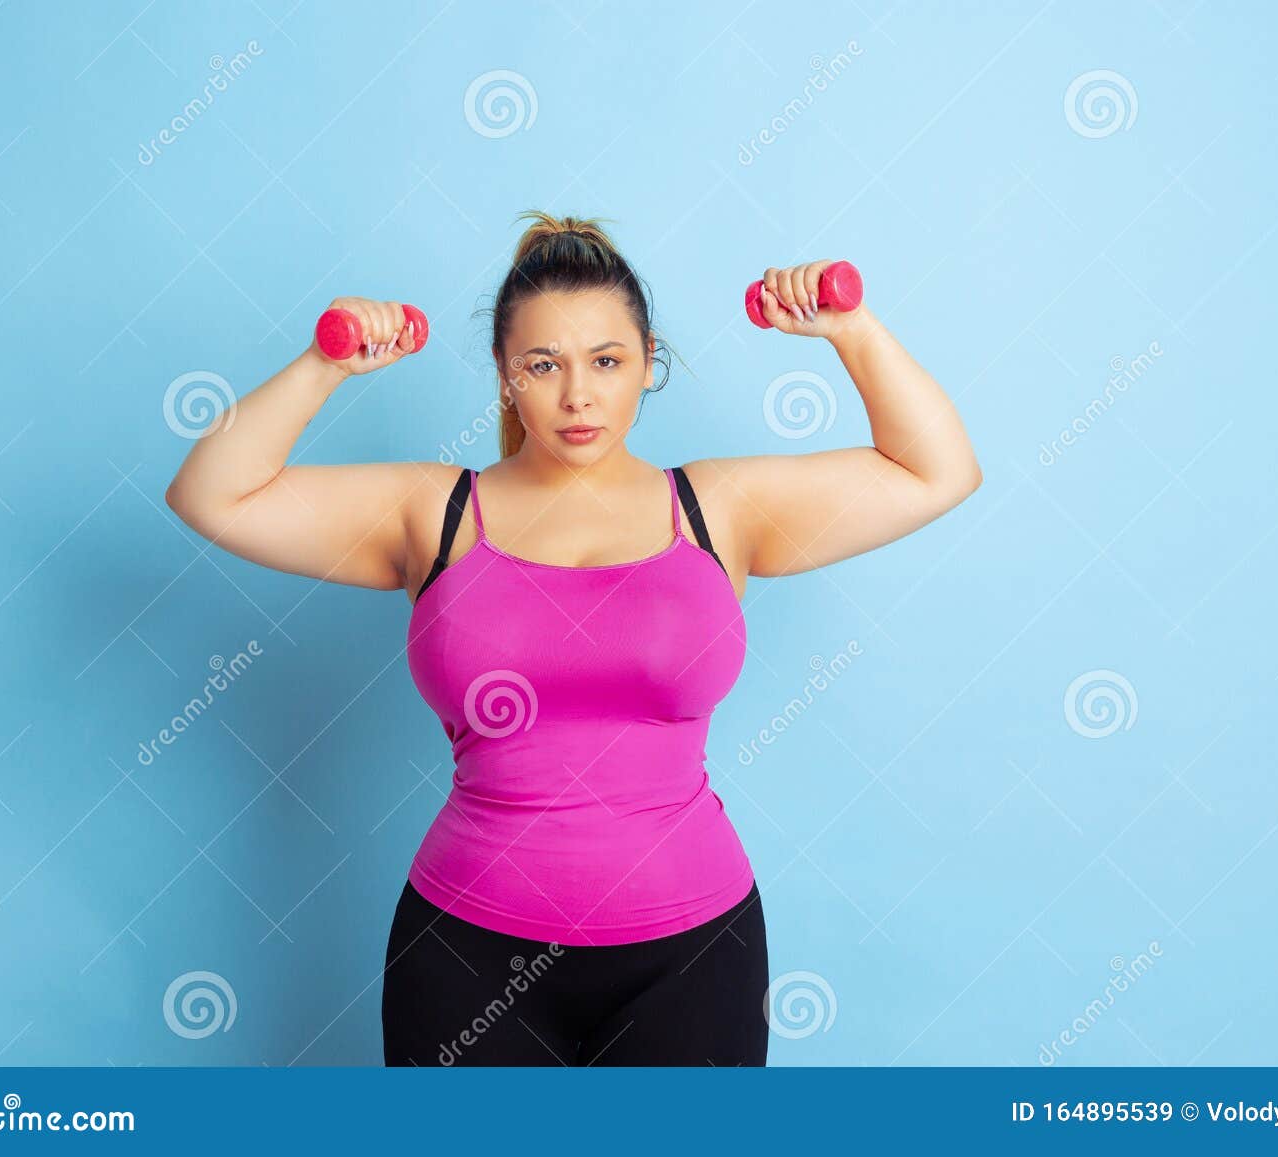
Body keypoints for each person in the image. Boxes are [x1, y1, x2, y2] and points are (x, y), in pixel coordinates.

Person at [164, 211, 983, 1065]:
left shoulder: (719, 509)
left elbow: (937, 469)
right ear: (504, 374)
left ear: (648, 366)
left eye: (607, 361)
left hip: (693, 953)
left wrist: (851, 329)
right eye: (543, 364)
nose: (578, 395)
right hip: (464, 954)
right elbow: (210, 494)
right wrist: (322, 366)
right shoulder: (433, 512)